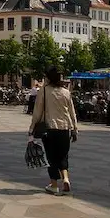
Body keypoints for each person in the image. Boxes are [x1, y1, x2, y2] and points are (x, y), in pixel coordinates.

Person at [28, 66, 78, 196]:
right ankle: (66, 179)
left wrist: (32, 128)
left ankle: (54, 185)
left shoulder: (44, 91)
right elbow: (72, 112)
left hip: (49, 128)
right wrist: (75, 129)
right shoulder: (66, 92)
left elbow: (37, 111)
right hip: (65, 128)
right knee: (63, 155)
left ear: (48, 78)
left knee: (51, 157)